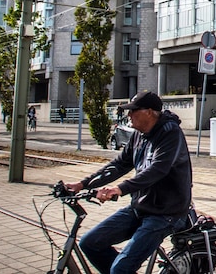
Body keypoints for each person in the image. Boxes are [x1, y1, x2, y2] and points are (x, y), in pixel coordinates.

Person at [63, 91, 191, 274]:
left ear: (149, 112)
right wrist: (83, 184)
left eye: (133, 111)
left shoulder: (170, 133)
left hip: (166, 213)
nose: (128, 115)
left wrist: (120, 189)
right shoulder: (139, 135)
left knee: (120, 269)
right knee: (90, 243)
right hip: (141, 207)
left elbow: (157, 170)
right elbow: (119, 164)